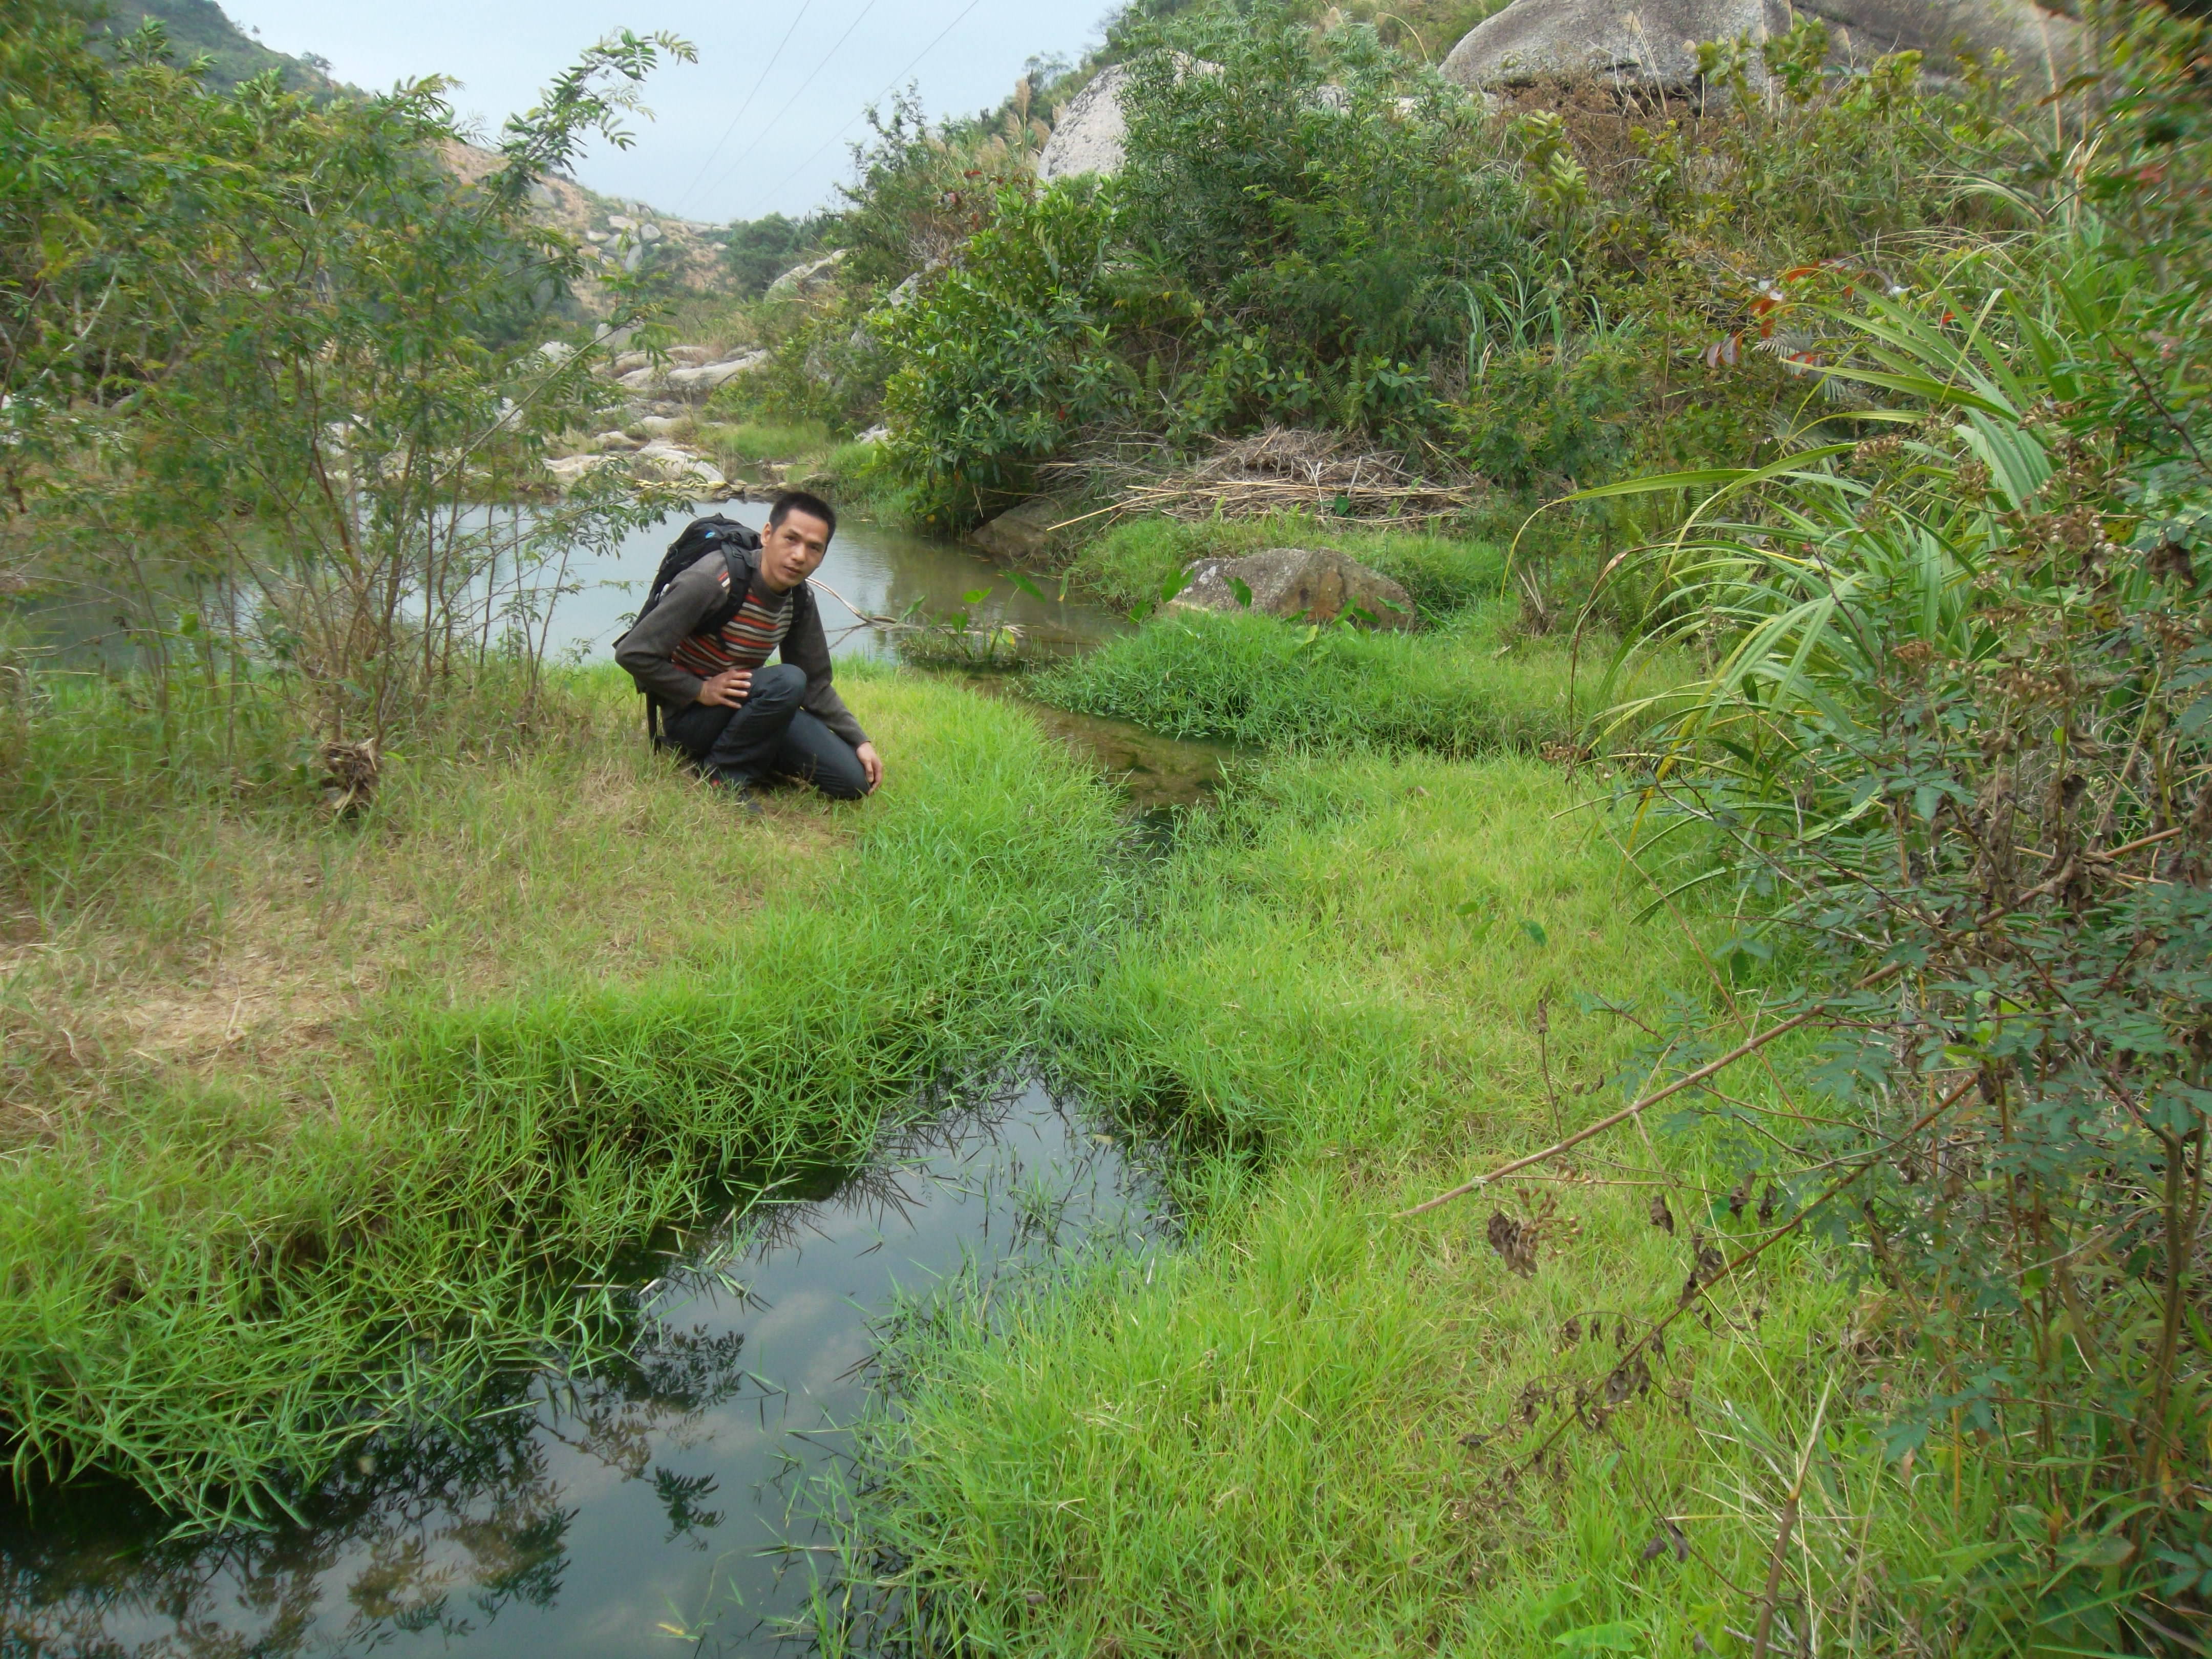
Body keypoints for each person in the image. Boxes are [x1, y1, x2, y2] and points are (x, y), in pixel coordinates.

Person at [616, 491, 882, 805]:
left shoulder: (799, 598)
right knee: (787, 681)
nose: (799, 556)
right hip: (691, 719)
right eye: (791, 539)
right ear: (768, 535)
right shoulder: (713, 581)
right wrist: (699, 690)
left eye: (814, 548)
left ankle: (751, 755)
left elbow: (815, 684)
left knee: (851, 783)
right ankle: (723, 775)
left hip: (749, 712)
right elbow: (632, 652)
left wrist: (859, 740)